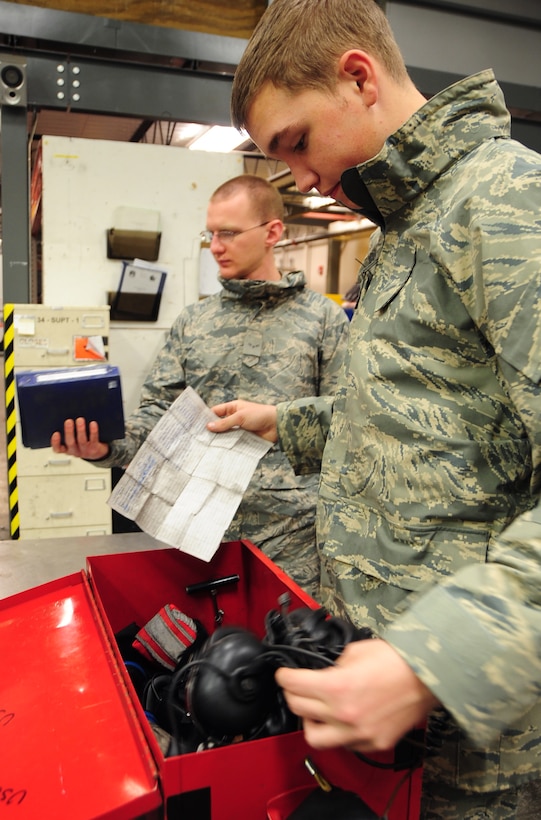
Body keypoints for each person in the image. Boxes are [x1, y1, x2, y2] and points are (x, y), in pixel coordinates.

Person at [206, 1, 541, 817]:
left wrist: (433, 661)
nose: (304, 177)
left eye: (295, 143)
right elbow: (421, 422)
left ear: (357, 77)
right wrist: (283, 421)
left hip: (481, 744)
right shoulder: (403, 226)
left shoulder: (504, 204)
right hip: (391, 717)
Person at [51, 174, 349, 599]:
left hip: (295, 540)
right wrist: (105, 449)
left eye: (228, 232)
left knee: (291, 654)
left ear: (272, 232)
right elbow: (155, 417)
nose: (215, 246)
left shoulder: (322, 320)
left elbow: (347, 424)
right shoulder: (194, 322)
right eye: (210, 233)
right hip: (198, 534)